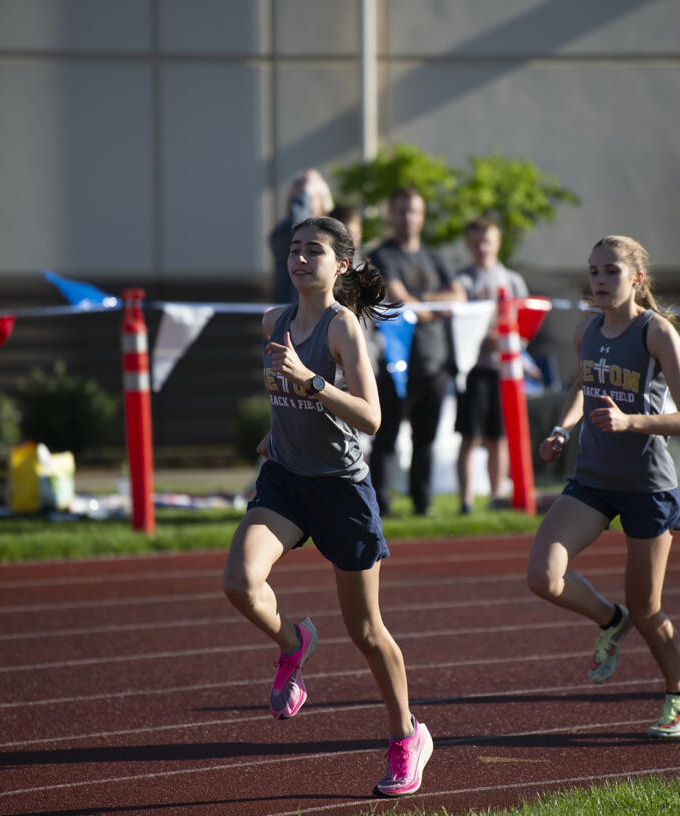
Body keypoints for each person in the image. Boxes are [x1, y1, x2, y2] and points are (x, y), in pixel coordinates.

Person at [221, 216, 433, 795]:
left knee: (366, 629)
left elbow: (371, 416)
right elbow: (281, 395)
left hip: (341, 489)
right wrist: (277, 431)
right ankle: (294, 643)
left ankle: (406, 737)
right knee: (240, 582)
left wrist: (311, 382)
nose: (299, 259)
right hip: (285, 480)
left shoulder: (342, 327)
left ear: (340, 265)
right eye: (293, 249)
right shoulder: (274, 320)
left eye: (313, 250)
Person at [527, 234, 680, 738]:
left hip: (647, 485)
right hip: (593, 479)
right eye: (594, 271)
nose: (600, 281)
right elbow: (585, 386)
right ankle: (610, 619)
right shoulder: (587, 331)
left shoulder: (657, 333)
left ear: (636, 279)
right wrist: (564, 428)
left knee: (649, 608)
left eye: (611, 271)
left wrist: (632, 424)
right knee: (543, 576)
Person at [367, 187, 466, 516]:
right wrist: (433, 305)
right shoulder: (383, 256)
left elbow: (459, 296)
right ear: (392, 215)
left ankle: (422, 504)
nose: (408, 217)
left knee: (426, 441)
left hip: (434, 363)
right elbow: (402, 301)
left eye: (414, 211)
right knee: (387, 440)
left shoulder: (435, 257)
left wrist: (425, 303)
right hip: (394, 364)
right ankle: (382, 505)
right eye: (402, 211)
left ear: (422, 216)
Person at [454, 216, 529, 514]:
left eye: (487, 241)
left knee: (499, 436)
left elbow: (524, 326)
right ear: (469, 246)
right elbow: (461, 325)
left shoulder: (512, 281)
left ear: (497, 243)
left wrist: (507, 341)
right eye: (476, 242)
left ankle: (497, 494)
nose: (482, 248)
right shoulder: (464, 281)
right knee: (469, 435)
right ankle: (466, 500)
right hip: (473, 370)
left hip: (505, 371)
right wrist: (485, 336)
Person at [268, 169, 334, 304]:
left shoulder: (334, 233)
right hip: (291, 313)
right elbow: (296, 223)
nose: (300, 201)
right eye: (297, 197)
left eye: (308, 196)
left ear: (323, 200)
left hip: (327, 312)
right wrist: (307, 189)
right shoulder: (283, 232)